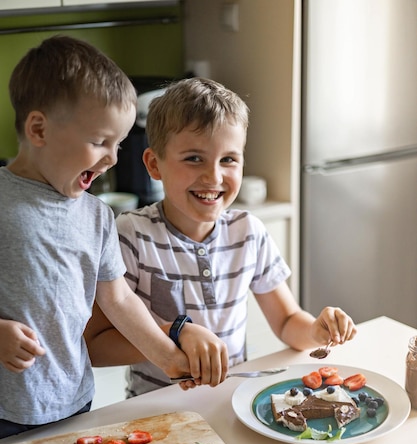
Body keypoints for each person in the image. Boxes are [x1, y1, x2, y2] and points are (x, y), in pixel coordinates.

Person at [0, 39, 228, 438]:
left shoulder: (97, 215)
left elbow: (118, 299)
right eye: (99, 141)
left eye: (118, 144)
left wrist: (167, 357)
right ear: (39, 129)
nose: (112, 158)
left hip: (74, 403)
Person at [85, 77, 357, 397]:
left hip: (232, 400)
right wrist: (175, 335)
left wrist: (316, 330)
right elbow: (96, 346)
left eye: (228, 159)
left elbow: (286, 322)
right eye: (193, 158)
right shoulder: (131, 235)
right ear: (154, 164)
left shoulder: (248, 232)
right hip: (156, 410)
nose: (213, 177)